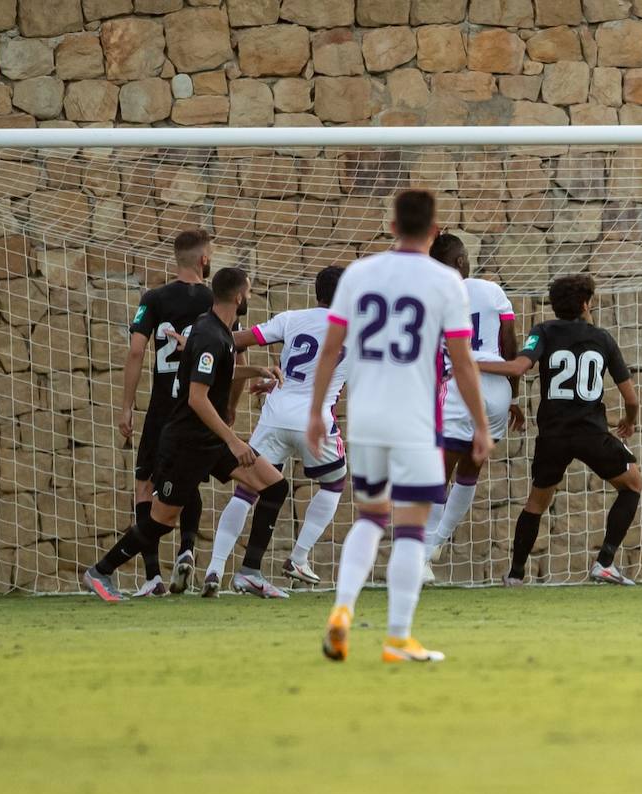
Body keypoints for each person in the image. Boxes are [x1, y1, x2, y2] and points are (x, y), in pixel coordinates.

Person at [309, 190, 493, 664]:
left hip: (366, 417)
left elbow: (331, 350)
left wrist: (316, 412)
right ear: (434, 232)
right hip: (415, 420)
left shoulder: (359, 274)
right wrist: (479, 423)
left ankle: (343, 609)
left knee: (370, 517)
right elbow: (463, 361)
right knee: (410, 529)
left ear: (391, 226)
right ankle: (397, 637)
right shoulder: (446, 282)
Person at [84, 268, 288, 601]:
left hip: (209, 440)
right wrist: (234, 440)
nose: (249, 297)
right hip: (186, 445)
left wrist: (257, 369)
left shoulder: (217, 331)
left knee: (275, 486)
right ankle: (100, 572)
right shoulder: (209, 334)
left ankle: (250, 573)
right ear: (238, 296)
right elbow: (196, 397)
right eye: (249, 292)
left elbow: (221, 370)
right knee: (161, 522)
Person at [478, 274, 642, 586]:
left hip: (552, 436)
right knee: (632, 484)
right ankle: (604, 563)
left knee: (536, 504)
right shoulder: (603, 339)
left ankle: (514, 575)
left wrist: (471, 364)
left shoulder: (543, 331)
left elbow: (516, 368)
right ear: (585, 303)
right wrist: (629, 420)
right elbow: (631, 398)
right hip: (592, 433)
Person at [201, 266, 350, 596]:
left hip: (276, 415)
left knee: (246, 490)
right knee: (334, 482)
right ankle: (298, 558)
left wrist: (197, 340)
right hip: (314, 420)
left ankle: (215, 567)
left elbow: (239, 339)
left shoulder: (292, 318)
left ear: (318, 293)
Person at [118, 229, 215, 596]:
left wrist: (127, 407)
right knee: (188, 479)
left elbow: (135, 353)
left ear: (178, 258)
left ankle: (153, 577)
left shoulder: (154, 298)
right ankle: (187, 550)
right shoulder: (215, 300)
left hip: (161, 410)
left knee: (145, 484)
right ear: (204, 260)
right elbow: (233, 356)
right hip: (197, 408)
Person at [423, 232, 525, 582]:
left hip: (458, 385)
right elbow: (510, 348)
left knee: (440, 473)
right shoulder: (493, 291)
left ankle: (422, 558)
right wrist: (512, 396)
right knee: (469, 472)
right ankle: (436, 543)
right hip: (496, 389)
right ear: (463, 261)